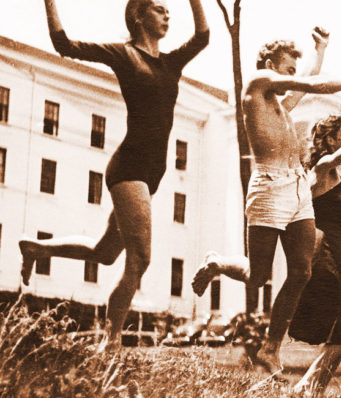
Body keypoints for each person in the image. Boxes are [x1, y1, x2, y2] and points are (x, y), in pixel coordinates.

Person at [19, 0, 208, 351]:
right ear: (138, 16)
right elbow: (65, 45)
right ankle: (113, 341)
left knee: (105, 253)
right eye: (159, 8)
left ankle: (37, 248)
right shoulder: (123, 55)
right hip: (129, 168)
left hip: (152, 174)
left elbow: (203, 36)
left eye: (169, 9)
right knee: (142, 258)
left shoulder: (170, 62)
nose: (168, 14)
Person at [191, 36, 341, 376]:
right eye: (287, 67)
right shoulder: (258, 84)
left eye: (294, 67)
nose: (292, 74)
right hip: (269, 186)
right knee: (258, 275)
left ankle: (270, 347)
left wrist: (320, 52)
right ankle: (216, 263)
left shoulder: (279, 105)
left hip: (296, 189)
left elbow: (303, 84)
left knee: (301, 270)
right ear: (270, 66)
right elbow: (307, 83)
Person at [288, 97, 341, 395]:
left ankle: (307, 387)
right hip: (328, 252)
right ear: (328, 138)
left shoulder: (334, 174)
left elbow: (333, 217)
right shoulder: (324, 166)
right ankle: (312, 389)